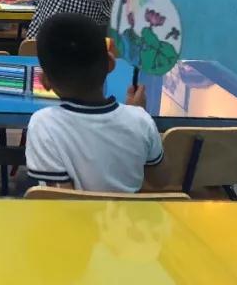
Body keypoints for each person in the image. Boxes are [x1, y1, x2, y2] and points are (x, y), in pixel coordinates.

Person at [25, 13, 161, 192]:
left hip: (74, 212)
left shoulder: (43, 124)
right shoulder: (141, 121)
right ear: (110, 64)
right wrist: (136, 113)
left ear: (45, 81)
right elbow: (160, 181)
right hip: (129, 211)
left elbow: (61, 198)